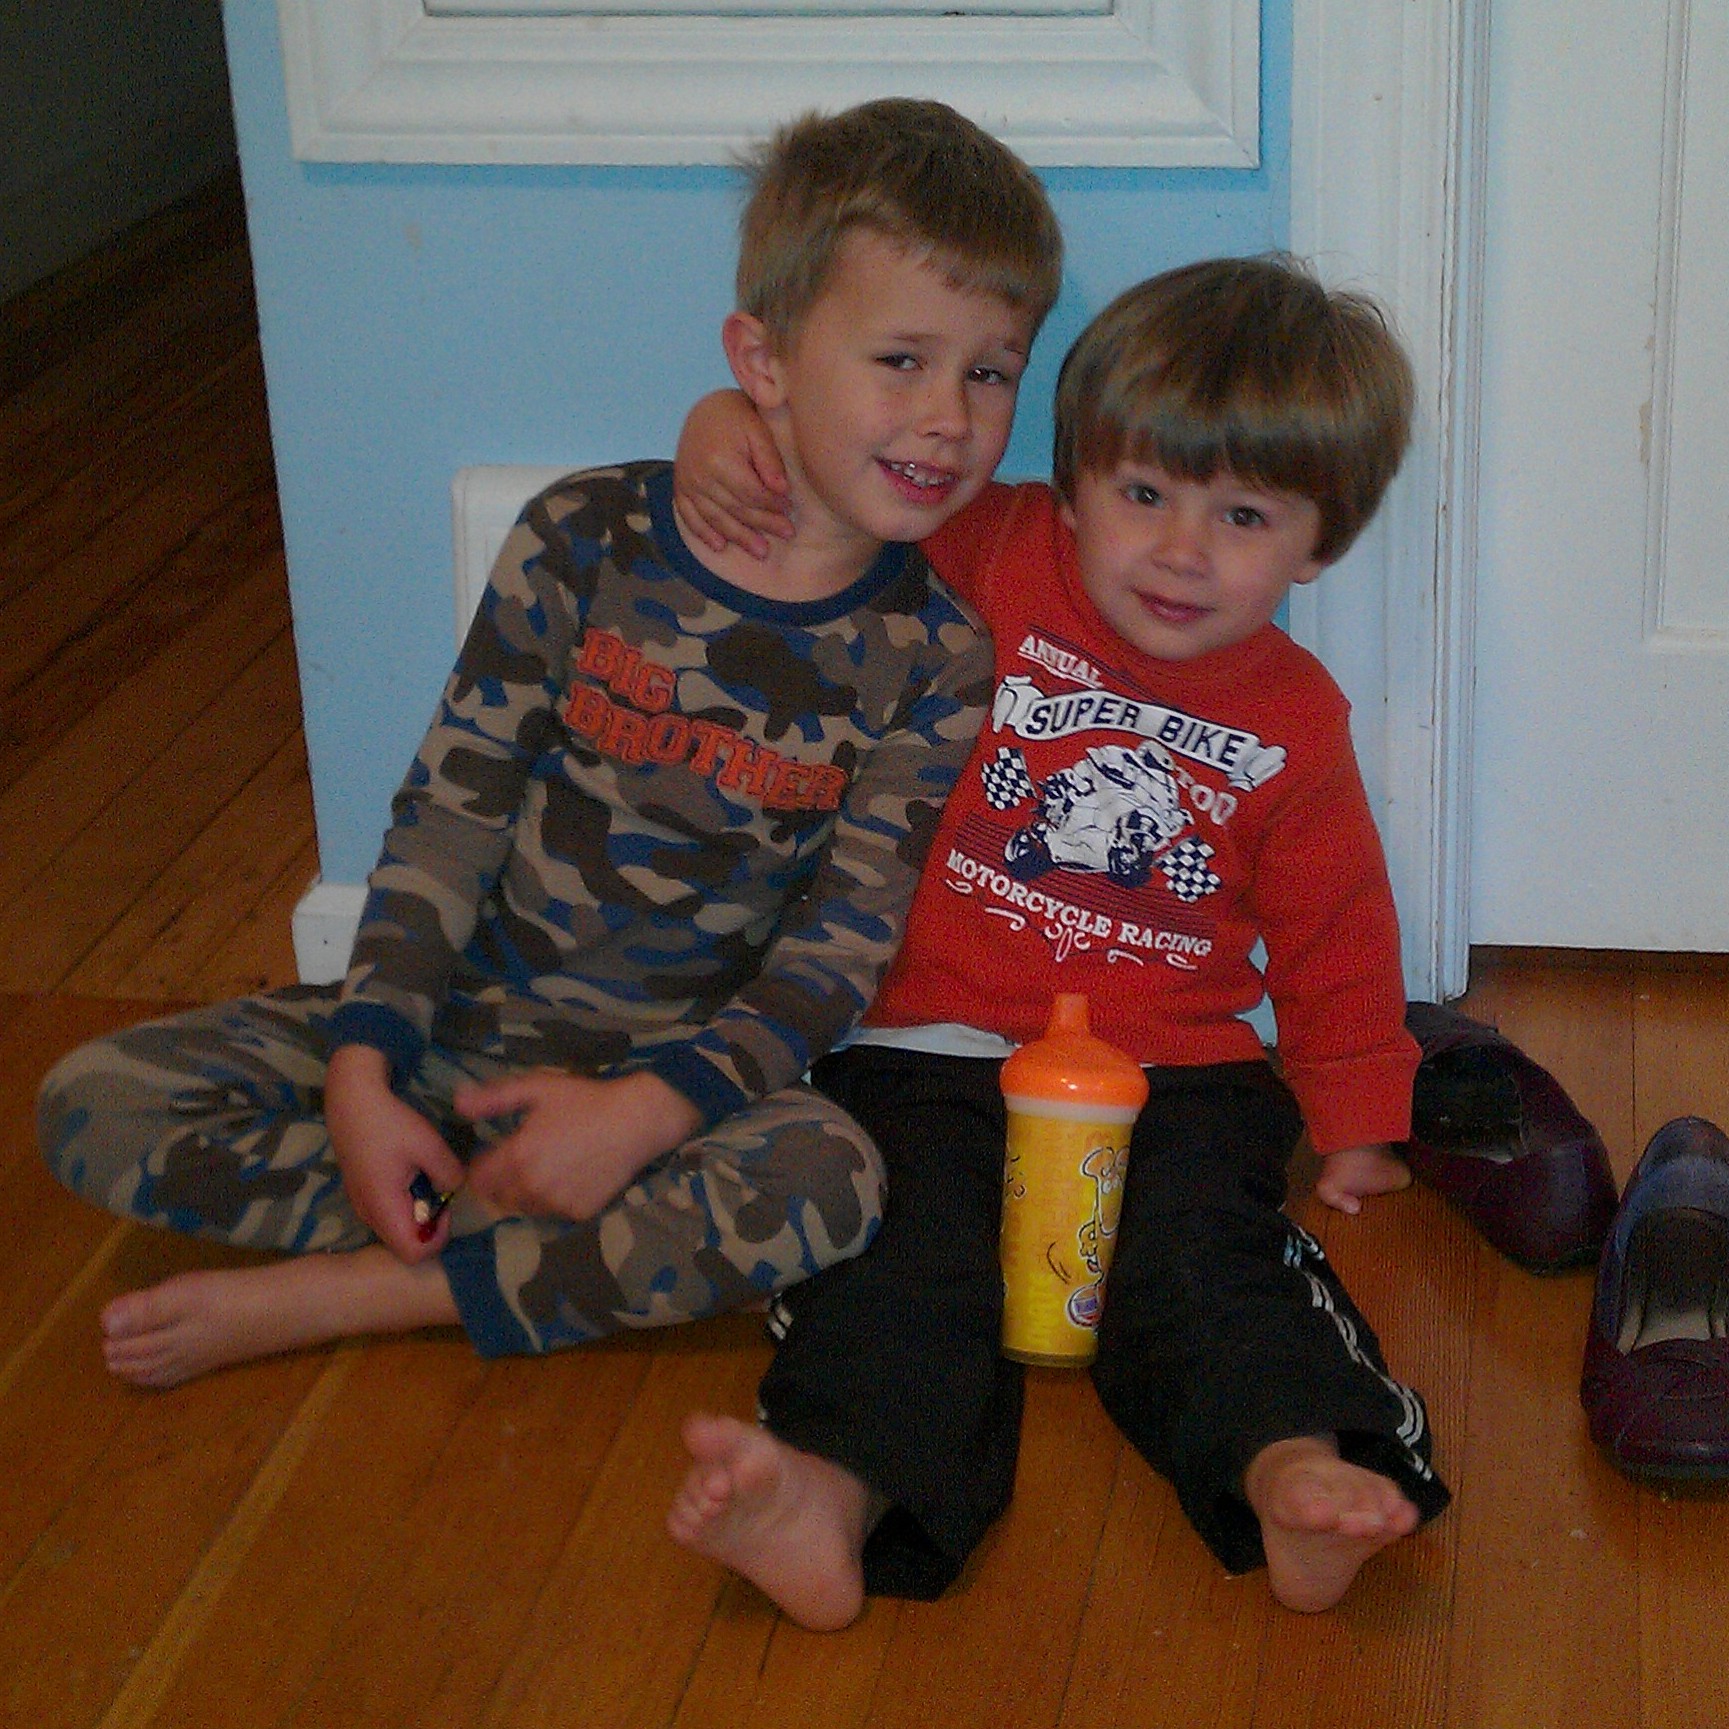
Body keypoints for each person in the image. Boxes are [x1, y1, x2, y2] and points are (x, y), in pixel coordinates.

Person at [35, 97, 1063, 1390]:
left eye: (990, 372)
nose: (950, 416)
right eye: (902, 360)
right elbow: (448, 816)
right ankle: (500, 1212)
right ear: (764, 361)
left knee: (830, 1183)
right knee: (92, 1097)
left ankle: (382, 1284)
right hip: (455, 1025)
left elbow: (834, 955)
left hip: (672, 1085)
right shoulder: (585, 537)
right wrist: (364, 1071)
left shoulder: (937, 653)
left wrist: (643, 1115)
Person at [666, 255, 1452, 1629]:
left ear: (1318, 546)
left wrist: (1358, 1116)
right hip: (924, 1042)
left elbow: (1336, 930)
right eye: (1143, 495)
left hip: (1174, 1073)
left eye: (1242, 516)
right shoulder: (992, 550)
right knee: (899, 1251)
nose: (1181, 551)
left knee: (1200, 1261)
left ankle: (1291, 1468)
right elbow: (839, 494)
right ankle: (830, 1495)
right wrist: (724, 429)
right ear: (1073, 484)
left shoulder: (1295, 718)